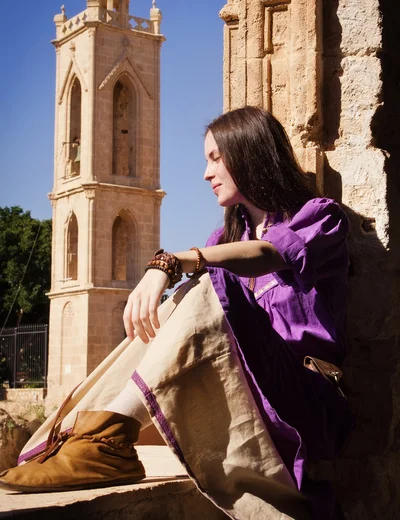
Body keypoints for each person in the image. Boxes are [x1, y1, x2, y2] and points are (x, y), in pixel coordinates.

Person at [0, 107, 353, 519]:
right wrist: (174, 272)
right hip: (251, 391)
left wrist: (170, 262)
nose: (206, 173)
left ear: (249, 153)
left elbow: (266, 254)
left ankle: (108, 436)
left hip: (309, 398)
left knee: (205, 284)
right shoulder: (225, 236)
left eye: (215, 158)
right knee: (191, 292)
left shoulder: (319, 217)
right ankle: (86, 434)